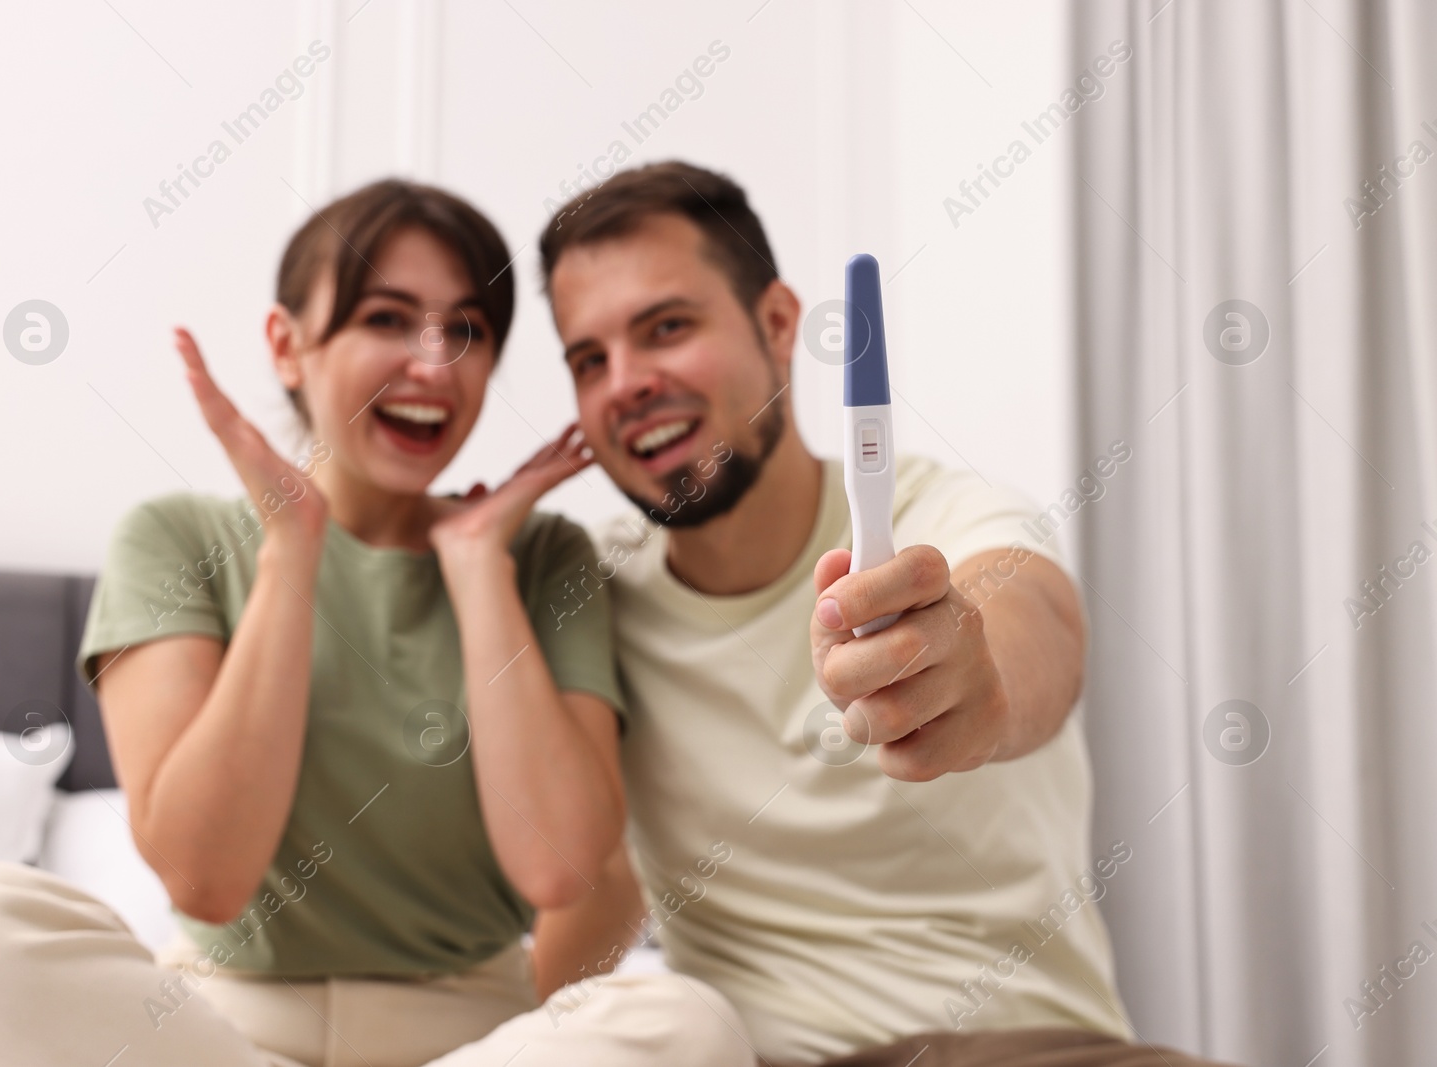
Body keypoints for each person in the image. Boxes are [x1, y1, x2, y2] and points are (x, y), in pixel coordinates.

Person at [0, 179, 747, 1067]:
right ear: (288, 346)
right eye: (387, 319)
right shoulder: (179, 540)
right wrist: (291, 547)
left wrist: (479, 569)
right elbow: (208, 878)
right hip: (216, 1034)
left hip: (475, 1037)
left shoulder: (543, 557)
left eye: (466, 331)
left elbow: (558, 867)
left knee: (688, 1026)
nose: (433, 365)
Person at [428, 161, 1237, 1067]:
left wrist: (975, 685)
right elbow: (586, 894)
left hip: (1018, 1049)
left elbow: (1033, 623)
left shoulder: (947, 517)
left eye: (667, 327)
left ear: (778, 326)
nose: (627, 382)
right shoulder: (595, 592)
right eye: (590, 359)